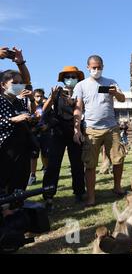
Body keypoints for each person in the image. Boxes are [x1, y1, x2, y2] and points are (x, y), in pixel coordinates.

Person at [73, 55, 126, 207]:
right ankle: (91, 197)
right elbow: (78, 108)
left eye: (99, 67)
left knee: (118, 159)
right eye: (93, 67)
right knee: (90, 164)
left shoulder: (111, 82)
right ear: (87, 67)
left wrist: (115, 93)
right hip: (91, 129)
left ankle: (117, 187)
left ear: (103, 66)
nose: (96, 70)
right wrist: (76, 128)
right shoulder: (81, 86)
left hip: (111, 127)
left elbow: (122, 99)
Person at [41, 66, 87, 210]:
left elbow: (81, 110)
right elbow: (44, 110)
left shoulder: (81, 92)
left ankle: (79, 193)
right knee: (53, 164)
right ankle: (48, 195)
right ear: (63, 79)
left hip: (75, 131)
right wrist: (52, 97)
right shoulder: (57, 92)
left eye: (74, 77)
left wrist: (77, 130)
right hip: (58, 132)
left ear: (78, 79)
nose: (71, 79)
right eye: (68, 77)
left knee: (77, 164)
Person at [0, 68, 35, 195]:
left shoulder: (20, 102)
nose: (18, 85)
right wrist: (12, 120)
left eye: (20, 82)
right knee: (4, 179)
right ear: (3, 85)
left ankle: (17, 206)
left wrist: (31, 117)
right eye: (14, 82)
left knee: (20, 179)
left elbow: (28, 118)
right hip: (5, 148)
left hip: (22, 147)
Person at [28, 89, 50, 186]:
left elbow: (53, 119)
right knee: (33, 156)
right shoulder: (29, 107)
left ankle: (46, 172)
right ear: (33, 96)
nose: (39, 98)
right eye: (37, 96)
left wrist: (47, 126)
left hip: (45, 134)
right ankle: (32, 175)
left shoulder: (47, 107)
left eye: (41, 96)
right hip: (33, 135)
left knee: (45, 155)